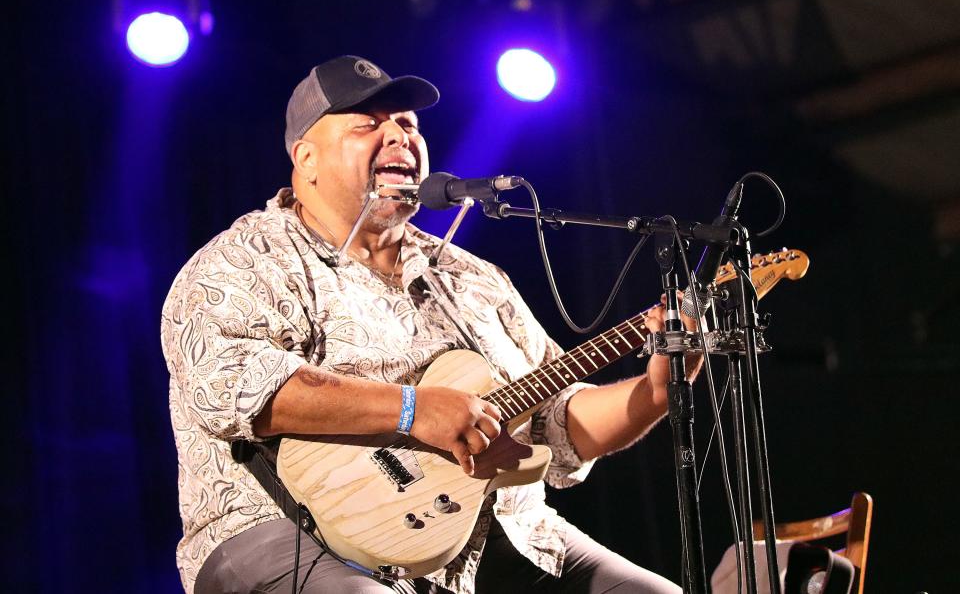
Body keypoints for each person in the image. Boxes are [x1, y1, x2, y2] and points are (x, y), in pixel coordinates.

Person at [161, 55, 700, 594]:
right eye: (368, 125)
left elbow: (555, 424)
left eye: (408, 125)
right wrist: (414, 410)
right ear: (307, 159)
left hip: (496, 536)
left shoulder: (473, 278)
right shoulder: (246, 260)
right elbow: (231, 387)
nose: (398, 135)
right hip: (289, 530)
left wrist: (654, 392)